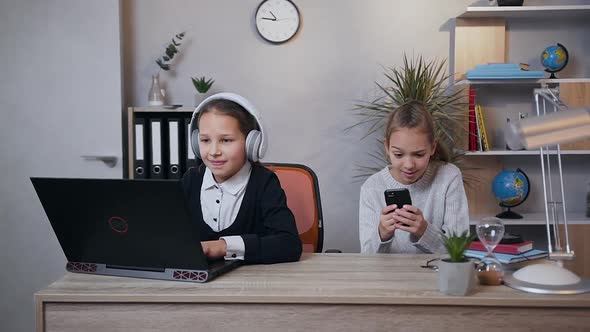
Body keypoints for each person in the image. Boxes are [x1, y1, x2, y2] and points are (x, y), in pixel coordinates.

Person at [182, 92, 302, 264]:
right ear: (195, 142)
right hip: (199, 285)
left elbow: (289, 245)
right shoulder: (191, 180)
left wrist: (222, 247)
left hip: (252, 284)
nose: (214, 151)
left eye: (226, 140)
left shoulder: (263, 182)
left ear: (251, 143)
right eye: (205, 140)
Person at [359, 101, 469, 254]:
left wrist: (424, 231)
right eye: (398, 155)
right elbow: (367, 256)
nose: (409, 165)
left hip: (435, 275)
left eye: (418, 154)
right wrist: (382, 234)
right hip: (388, 276)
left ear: (433, 147)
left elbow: (459, 251)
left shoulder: (449, 177)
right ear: (387, 147)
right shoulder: (372, 187)